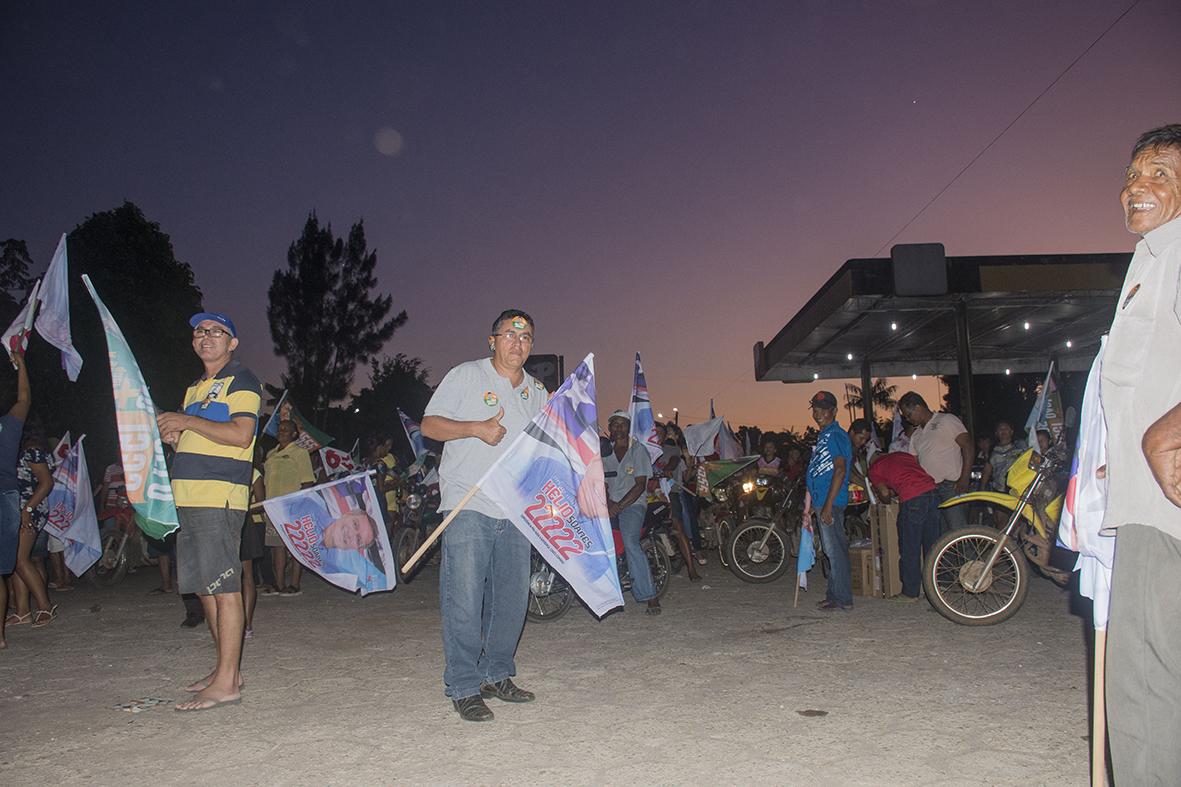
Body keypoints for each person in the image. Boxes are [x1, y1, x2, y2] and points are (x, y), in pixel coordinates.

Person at [1099, 123, 1181, 783]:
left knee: (1146, 689)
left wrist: (1166, 429)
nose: (1137, 188)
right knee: (1144, 683)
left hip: (1166, 510)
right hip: (1143, 498)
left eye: (1158, 172)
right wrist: (1123, 452)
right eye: (1131, 175)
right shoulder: (1150, 259)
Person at [420, 309, 545, 722]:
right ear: (492, 340)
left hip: (515, 507)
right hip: (467, 501)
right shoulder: (466, 375)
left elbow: (545, 447)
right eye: (510, 334)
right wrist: (474, 428)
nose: (518, 342)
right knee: (465, 598)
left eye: (525, 337)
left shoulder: (538, 391)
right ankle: (463, 684)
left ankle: (496, 673)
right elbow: (430, 426)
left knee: (511, 598)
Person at [157, 311, 261, 712]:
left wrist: (187, 420)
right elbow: (199, 438)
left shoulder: (242, 380)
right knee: (204, 588)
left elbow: (240, 435)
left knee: (224, 587)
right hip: (189, 497)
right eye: (200, 331)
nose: (206, 337)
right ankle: (225, 670)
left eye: (217, 332)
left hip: (219, 496)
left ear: (232, 343)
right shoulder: (196, 388)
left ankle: (227, 683)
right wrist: (174, 437)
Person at [604, 411, 661, 616]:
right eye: (615, 424)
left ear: (628, 427)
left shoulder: (638, 450)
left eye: (623, 424)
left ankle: (650, 595)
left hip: (633, 505)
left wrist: (618, 506)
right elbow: (601, 482)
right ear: (609, 427)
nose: (618, 428)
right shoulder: (604, 452)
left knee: (630, 542)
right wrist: (608, 503)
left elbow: (640, 485)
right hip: (608, 504)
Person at [867, 451, 941, 601]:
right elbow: (909, 474)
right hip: (933, 492)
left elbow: (884, 492)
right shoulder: (902, 455)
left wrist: (886, 503)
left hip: (913, 498)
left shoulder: (874, 469)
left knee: (910, 546)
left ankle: (910, 592)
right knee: (933, 545)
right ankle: (935, 587)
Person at [897, 391, 972, 532]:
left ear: (918, 407)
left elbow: (968, 446)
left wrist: (964, 478)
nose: (908, 419)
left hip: (951, 486)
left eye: (908, 414)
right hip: (930, 490)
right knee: (940, 536)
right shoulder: (916, 435)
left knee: (959, 532)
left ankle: (970, 554)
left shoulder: (947, 420)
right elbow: (914, 465)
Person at [805, 391, 853, 610]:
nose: (818, 414)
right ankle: (834, 595)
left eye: (824, 410)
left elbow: (840, 470)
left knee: (835, 551)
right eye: (815, 409)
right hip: (823, 500)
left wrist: (826, 506)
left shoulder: (836, 435)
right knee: (830, 551)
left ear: (833, 411)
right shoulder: (824, 435)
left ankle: (842, 598)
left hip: (830, 501)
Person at [8, 426, 56, 627]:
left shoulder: (32, 450)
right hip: (12, 509)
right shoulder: (12, 451)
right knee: (14, 561)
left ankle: (46, 606)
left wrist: (27, 510)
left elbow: (46, 483)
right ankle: (22, 611)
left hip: (29, 509)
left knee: (20, 559)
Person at [263, 419, 316, 596]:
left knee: (295, 545)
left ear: (294, 434)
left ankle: (294, 584)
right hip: (272, 506)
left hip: (292, 505)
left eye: (286, 429)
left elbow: (307, 481)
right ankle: (279, 584)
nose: (281, 431)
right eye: (280, 429)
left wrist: (302, 505)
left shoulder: (300, 453)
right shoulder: (271, 454)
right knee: (276, 547)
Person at [0, 352, 30, 648]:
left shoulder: (6, 426)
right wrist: (21, 366)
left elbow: (23, 400)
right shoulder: (7, 425)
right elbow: (23, 398)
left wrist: (21, 366)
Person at [653, 421, 700, 579]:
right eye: (654, 432)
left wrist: (667, 469)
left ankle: (692, 569)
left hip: (669, 493)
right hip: (648, 494)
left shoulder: (670, 449)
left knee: (679, 528)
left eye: (660, 432)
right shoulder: (642, 450)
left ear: (665, 435)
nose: (657, 434)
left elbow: (673, 460)